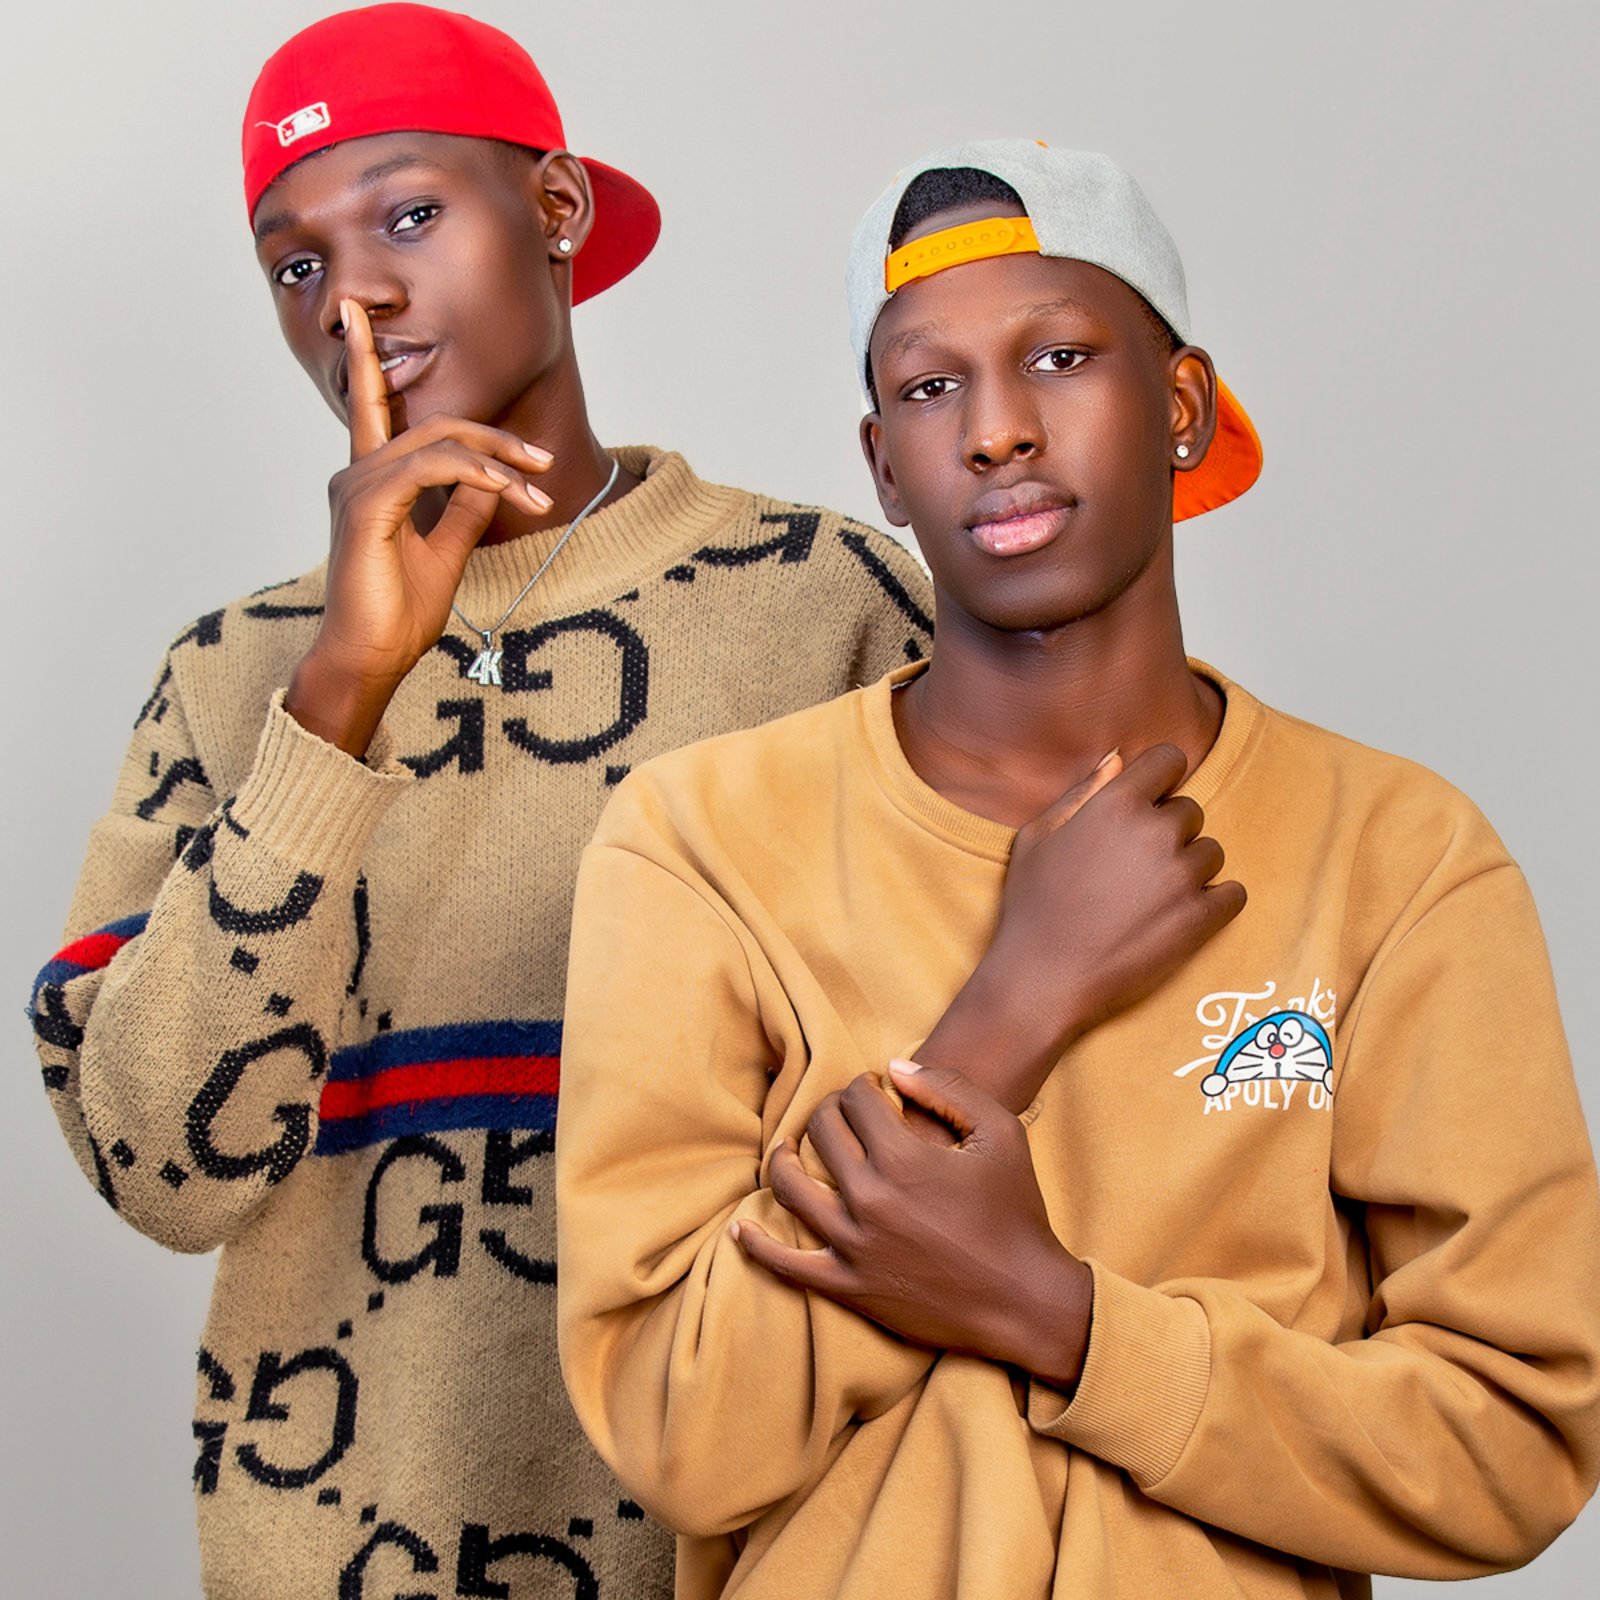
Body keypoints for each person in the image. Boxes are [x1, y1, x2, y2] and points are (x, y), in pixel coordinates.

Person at [555, 141, 1600, 1598]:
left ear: (1181, 406)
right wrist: (1013, 1007)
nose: (996, 432)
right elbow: (679, 1433)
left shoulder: (1400, 857)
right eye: (932, 387)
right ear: (885, 466)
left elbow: (1514, 1442)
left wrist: (1066, 1323)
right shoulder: (698, 843)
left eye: (1058, 358)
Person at [25, 7, 934, 1596]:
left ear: (557, 208)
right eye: (294, 264)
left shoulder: (826, 608)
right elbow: (163, 1167)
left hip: (744, 1549)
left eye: (409, 216)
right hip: (335, 1557)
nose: (352, 299)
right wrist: (338, 697)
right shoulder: (231, 679)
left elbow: (975, 1116)